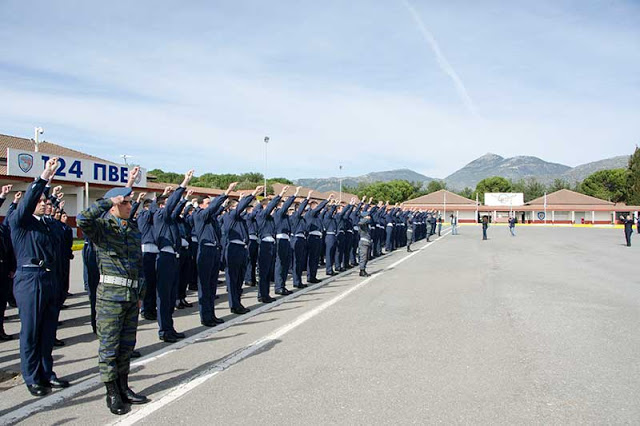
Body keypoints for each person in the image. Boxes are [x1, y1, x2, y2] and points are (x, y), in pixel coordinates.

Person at [77, 166, 149, 415]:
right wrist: (109, 199)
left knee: (127, 346)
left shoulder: (132, 228)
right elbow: (82, 219)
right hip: (110, 298)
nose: (131, 206)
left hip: (130, 296)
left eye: (130, 203)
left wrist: (140, 295)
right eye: (126, 203)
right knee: (109, 347)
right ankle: (111, 393)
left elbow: (139, 265)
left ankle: (124, 386)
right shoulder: (102, 229)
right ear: (114, 205)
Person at [10, 157, 70, 397]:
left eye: (47, 201)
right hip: (30, 279)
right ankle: (32, 377)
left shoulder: (47, 225)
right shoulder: (20, 221)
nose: (46, 203)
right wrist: (44, 176)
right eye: (42, 201)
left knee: (47, 331)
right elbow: (29, 202)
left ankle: (47, 373)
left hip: (49, 279)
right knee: (31, 332)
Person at [153, 170, 193, 343]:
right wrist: (184, 183)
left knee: (170, 296)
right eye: (167, 204)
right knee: (163, 296)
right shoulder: (160, 215)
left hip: (173, 258)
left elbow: (176, 208)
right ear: (162, 205)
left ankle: (169, 327)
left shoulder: (170, 219)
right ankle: (164, 330)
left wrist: (184, 200)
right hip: (164, 258)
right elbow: (172, 205)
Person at [193, 182, 235, 325]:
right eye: (207, 203)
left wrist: (226, 200)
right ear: (200, 205)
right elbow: (212, 209)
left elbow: (217, 209)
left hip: (214, 250)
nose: (209, 205)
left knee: (212, 286)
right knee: (204, 286)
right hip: (204, 250)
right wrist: (226, 191)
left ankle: (211, 314)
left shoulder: (210, 218)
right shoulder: (199, 215)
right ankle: (205, 317)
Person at [223, 186, 263, 314]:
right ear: (230, 208)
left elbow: (247, 211)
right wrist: (253, 194)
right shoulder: (230, 216)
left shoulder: (240, 218)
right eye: (236, 207)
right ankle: (234, 305)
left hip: (241, 248)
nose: (239, 209)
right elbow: (241, 208)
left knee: (239, 279)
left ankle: (238, 302)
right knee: (233, 279)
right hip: (233, 248)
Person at [0, 185, 17, 341]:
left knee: (1, 302)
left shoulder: (3, 230)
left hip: (4, 270)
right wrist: (3, 197)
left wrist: (11, 268)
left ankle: (0, 330)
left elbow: (9, 250)